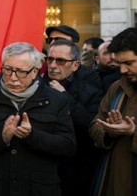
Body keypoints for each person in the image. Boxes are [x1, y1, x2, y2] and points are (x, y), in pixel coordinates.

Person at [0, 42, 76, 196]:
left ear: (35, 72)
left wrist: (32, 136)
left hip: (38, 189)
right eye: (8, 70)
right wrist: (1, 138)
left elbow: (68, 146)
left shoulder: (56, 100)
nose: (13, 78)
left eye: (21, 72)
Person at [41, 38, 103, 195]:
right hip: (42, 165)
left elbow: (89, 124)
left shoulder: (91, 90)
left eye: (61, 61)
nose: (53, 65)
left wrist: (64, 96)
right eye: (50, 59)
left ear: (75, 65)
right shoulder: (35, 85)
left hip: (76, 167)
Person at [89, 27, 137, 196]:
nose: (122, 70)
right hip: (113, 180)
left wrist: (134, 131)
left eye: (129, 63)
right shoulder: (116, 87)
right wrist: (109, 131)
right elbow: (95, 125)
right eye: (119, 64)